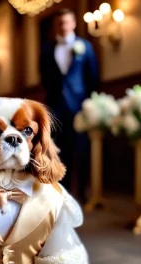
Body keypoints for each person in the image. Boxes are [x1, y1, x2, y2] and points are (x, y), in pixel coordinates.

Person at [40, 8, 99, 203]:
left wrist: (90, 104)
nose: (63, 26)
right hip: (56, 107)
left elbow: (93, 77)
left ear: (73, 24)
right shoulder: (47, 49)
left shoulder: (86, 47)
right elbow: (44, 77)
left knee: (81, 150)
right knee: (58, 151)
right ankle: (61, 192)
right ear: (56, 26)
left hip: (80, 108)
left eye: (66, 22)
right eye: (59, 23)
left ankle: (82, 192)